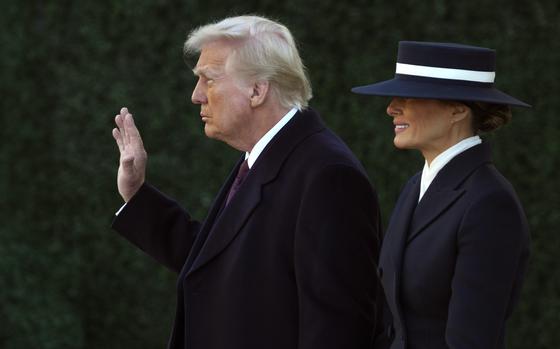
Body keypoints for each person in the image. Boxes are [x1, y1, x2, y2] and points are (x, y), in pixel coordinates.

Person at [111, 15, 384, 349]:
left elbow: (337, 329)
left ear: (257, 90)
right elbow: (221, 262)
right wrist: (137, 194)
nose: (197, 95)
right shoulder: (265, 155)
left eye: (208, 79)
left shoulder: (328, 175)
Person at [352, 41, 531, 349]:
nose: (391, 107)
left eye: (409, 96)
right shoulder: (415, 188)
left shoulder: (489, 202)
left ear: (458, 110)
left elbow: (472, 340)